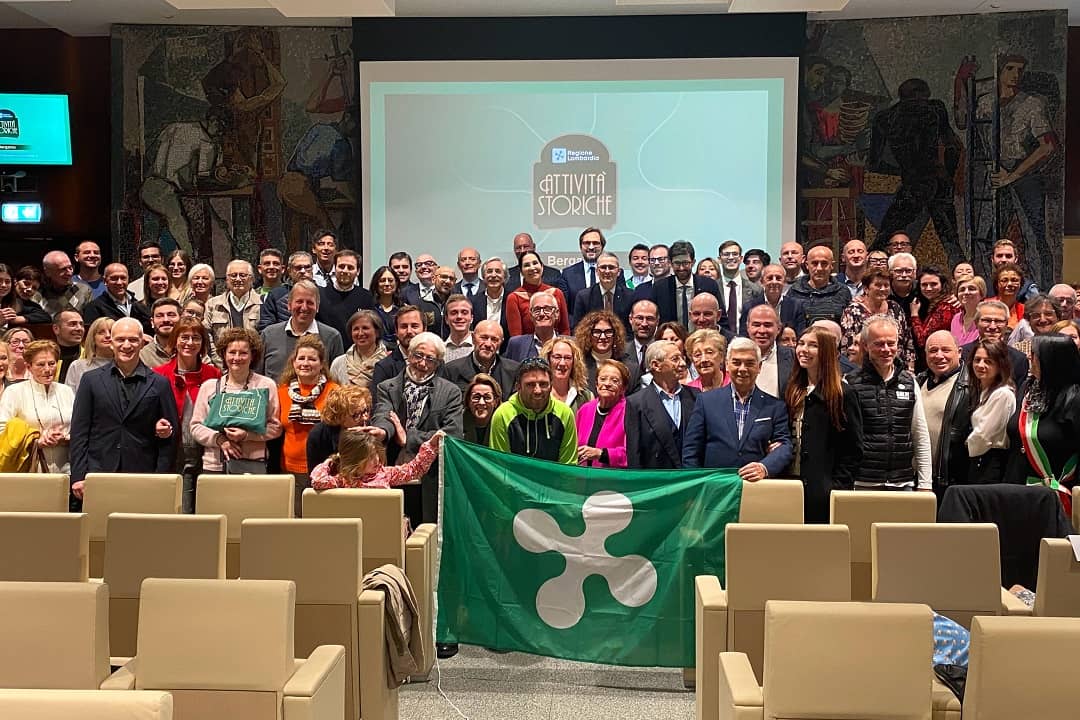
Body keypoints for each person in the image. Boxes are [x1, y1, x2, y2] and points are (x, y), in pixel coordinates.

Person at [69, 318, 179, 500]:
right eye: (120, 339)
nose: (126, 345)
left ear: (142, 342)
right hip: (98, 471)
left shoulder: (160, 383)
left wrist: (162, 477)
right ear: (111, 343)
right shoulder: (91, 380)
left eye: (133, 340)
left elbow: (171, 436)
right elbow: (79, 432)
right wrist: (78, 476)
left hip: (144, 474)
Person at [369, 332, 463, 525]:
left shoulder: (450, 392)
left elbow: (452, 434)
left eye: (430, 359)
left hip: (430, 477)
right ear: (408, 355)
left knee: (426, 534)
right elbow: (384, 415)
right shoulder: (387, 387)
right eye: (418, 356)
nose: (422, 364)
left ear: (438, 363)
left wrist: (409, 438)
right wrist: (383, 431)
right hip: (393, 469)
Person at [682, 337, 793, 479]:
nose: (742, 369)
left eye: (749, 363)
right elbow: (691, 450)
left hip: (757, 488)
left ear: (759, 367)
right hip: (715, 486)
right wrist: (695, 485)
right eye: (736, 362)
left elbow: (784, 446)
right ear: (727, 365)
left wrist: (764, 467)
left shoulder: (775, 406)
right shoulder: (706, 401)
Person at [784, 327, 863, 522]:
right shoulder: (793, 389)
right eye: (801, 343)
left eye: (813, 345)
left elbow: (853, 449)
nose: (803, 349)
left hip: (824, 490)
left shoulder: (842, 394)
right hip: (790, 485)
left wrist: (836, 487)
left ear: (827, 352)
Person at [845, 314, 932, 491]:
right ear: (865, 346)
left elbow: (920, 434)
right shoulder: (850, 384)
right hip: (861, 483)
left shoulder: (910, 382)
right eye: (878, 344)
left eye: (891, 343)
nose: (886, 349)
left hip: (903, 482)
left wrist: (925, 483)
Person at [190, 327, 283, 477]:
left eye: (243, 353)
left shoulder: (266, 385)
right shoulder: (210, 387)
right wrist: (220, 440)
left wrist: (247, 435)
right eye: (232, 352)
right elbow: (195, 427)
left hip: (253, 466)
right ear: (224, 354)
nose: (237, 358)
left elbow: (275, 428)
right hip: (214, 466)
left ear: (253, 356)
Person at [1005, 334, 1080, 516]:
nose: (1029, 358)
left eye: (1035, 354)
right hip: (1018, 489)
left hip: (1058, 495)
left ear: (1052, 360)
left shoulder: (1075, 398)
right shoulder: (1028, 388)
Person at [153, 317, 221, 512]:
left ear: (203, 344)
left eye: (196, 338)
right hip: (170, 452)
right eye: (184, 337)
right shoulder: (158, 374)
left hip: (207, 453)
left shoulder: (214, 375)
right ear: (175, 340)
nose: (190, 343)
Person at [277, 335, 338, 515]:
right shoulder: (281, 392)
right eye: (301, 358)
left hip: (326, 471)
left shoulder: (334, 392)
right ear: (293, 363)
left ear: (321, 364)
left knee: (321, 521)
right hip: (289, 471)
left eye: (312, 359)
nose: (305, 363)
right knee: (295, 522)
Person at [0, 340, 75, 473]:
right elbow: (2, 430)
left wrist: (65, 437)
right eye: (40, 365)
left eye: (52, 364)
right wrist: (36, 441)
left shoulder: (66, 391)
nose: (47, 369)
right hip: (29, 469)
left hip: (65, 468)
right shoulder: (15, 392)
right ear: (28, 367)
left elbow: (79, 427)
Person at [625, 340, 699, 469]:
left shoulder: (696, 396)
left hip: (691, 480)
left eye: (682, 358)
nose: (682, 363)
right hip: (657, 482)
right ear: (656, 365)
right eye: (675, 359)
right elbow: (634, 454)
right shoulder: (636, 403)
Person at [489, 356, 577, 464]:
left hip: (553, 481)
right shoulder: (502, 414)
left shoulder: (565, 413)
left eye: (543, 384)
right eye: (530, 385)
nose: (538, 390)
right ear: (518, 387)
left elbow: (568, 466)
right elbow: (500, 466)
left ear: (551, 386)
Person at [918, 330, 972, 497]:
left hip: (950, 480)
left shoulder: (971, 385)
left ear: (959, 352)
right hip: (918, 477)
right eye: (933, 351)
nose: (939, 356)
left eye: (946, 350)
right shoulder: (918, 381)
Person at [259, 280, 344, 382]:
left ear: (317, 307)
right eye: (299, 302)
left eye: (310, 303)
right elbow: (257, 377)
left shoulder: (332, 337)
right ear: (289, 305)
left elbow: (336, 379)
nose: (304, 307)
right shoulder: (268, 335)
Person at [311, 428, 446, 490]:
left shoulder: (386, 474)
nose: (376, 460)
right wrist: (328, 463)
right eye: (370, 457)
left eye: (376, 454)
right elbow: (318, 481)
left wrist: (431, 445)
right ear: (355, 460)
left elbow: (415, 470)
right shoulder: (343, 480)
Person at [633, 240, 722, 328]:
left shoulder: (709, 285)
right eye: (677, 263)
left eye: (685, 263)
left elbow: (721, 319)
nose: (681, 268)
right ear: (670, 263)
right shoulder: (660, 287)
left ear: (693, 262)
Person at [841, 268, 916, 370]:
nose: (883, 289)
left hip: (897, 370)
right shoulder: (853, 311)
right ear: (866, 288)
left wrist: (910, 370)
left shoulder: (895, 308)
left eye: (886, 285)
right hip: (864, 371)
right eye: (878, 285)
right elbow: (847, 347)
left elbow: (908, 342)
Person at [965, 339, 1015, 485]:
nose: (980, 365)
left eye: (988, 361)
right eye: (977, 360)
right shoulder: (982, 390)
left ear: (1000, 365)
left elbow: (983, 435)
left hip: (991, 462)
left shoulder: (1003, 394)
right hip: (979, 459)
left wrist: (964, 444)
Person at [440, 319, 519, 398]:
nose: (488, 344)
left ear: (501, 343)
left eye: (494, 340)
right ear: (473, 338)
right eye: (484, 338)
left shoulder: (514, 371)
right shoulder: (451, 370)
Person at [574, 359, 629, 468]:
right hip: (582, 478)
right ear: (596, 383)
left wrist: (601, 454)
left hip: (613, 480)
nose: (607, 384)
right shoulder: (585, 410)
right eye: (603, 379)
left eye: (614, 380)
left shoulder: (629, 412)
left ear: (623, 388)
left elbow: (633, 454)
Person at [963, 300, 1029, 389]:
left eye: (999, 321)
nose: (992, 326)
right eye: (986, 320)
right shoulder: (963, 354)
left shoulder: (1019, 359)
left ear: (1006, 324)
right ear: (976, 323)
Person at [306, 384, 375, 470]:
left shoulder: (369, 428)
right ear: (340, 416)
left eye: (366, 410)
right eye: (356, 415)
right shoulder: (319, 434)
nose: (365, 417)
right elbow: (314, 477)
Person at [558, 227, 623, 317]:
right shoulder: (567, 274)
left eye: (596, 243)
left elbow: (622, 304)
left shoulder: (614, 272)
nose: (591, 247)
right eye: (587, 243)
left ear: (602, 247)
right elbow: (564, 309)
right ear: (581, 246)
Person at [505, 251, 570, 338]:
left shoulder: (557, 293)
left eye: (535, 263)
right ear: (521, 271)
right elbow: (516, 337)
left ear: (542, 267)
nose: (532, 268)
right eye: (527, 265)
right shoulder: (514, 298)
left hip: (556, 348)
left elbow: (565, 330)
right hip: (528, 349)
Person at [574, 310, 637, 395]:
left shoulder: (631, 368)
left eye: (608, 332)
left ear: (615, 335)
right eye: (597, 332)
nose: (603, 337)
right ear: (588, 335)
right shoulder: (577, 365)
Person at [785, 244, 852, 325]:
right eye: (814, 263)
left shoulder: (843, 291)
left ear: (831, 265)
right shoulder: (794, 291)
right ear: (807, 265)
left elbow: (849, 325)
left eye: (824, 263)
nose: (819, 268)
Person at [316, 249, 374, 340]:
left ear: (358, 271)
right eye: (341, 266)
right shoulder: (320, 295)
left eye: (350, 267)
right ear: (335, 268)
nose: (345, 271)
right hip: (327, 351)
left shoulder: (366, 297)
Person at [571, 251, 633, 331]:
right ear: (597, 271)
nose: (607, 271)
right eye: (603, 267)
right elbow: (578, 329)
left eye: (611, 267)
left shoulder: (630, 296)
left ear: (618, 272)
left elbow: (631, 329)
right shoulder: (584, 296)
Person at [82, 263, 152, 333]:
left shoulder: (138, 304)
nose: (119, 282)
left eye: (123, 278)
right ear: (105, 281)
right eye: (114, 278)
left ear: (128, 279)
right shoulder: (94, 307)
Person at [740, 264, 807, 337]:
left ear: (784, 282)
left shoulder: (796, 306)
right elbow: (744, 336)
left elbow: (800, 336)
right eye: (770, 278)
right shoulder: (749, 307)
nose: (774, 282)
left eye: (778, 278)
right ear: (762, 282)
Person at [205, 259, 263, 343]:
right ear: (227, 279)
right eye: (233, 275)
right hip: (220, 355)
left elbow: (266, 336)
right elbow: (206, 336)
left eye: (242, 275)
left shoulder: (262, 303)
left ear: (251, 279)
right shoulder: (213, 304)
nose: (238, 279)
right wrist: (217, 356)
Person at [745, 304, 796, 398]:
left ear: (778, 329)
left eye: (768, 325)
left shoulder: (793, 357)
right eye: (756, 325)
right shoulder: (735, 355)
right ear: (748, 327)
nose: (762, 330)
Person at [369, 305, 426, 391]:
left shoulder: (436, 363)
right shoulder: (383, 367)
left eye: (414, 326)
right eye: (403, 326)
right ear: (396, 331)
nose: (409, 331)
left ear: (424, 329)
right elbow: (378, 402)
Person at [329, 310, 388, 388]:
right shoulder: (338, 363)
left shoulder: (388, 362)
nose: (360, 333)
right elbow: (332, 396)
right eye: (356, 329)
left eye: (365, 328)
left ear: (377, 332)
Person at [715, 240, 763, 336]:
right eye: (726, 254)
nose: (731, 258)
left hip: (746, 341)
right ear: (719, 259)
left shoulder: (756, 290)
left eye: (735, 254)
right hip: (719, 340)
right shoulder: (713, 287)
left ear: (741, 259)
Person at [259, 252, 313, 331]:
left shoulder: (323, 293)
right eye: (298, 267)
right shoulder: (275, 295)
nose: (303, 271)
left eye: (307, 267)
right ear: (289, 271)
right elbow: (266, 328)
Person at [909, 267, 959, 351]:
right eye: (924, 285)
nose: (928, 288)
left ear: (942, 285)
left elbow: (923, 340)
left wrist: (914, 314)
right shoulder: (928, 303)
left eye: (934, 284)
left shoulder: (946, 307)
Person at [505, 290, 561, 362]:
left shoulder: (570, 344)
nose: (541, 314)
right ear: (531, 315)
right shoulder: (516, 344)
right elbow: (509, 372)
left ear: (556, 313)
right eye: (537, 310)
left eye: (547, 309)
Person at [541, 337, 593, 413]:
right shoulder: (538, 392)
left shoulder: (586, 397)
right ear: (548, 359)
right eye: (557, 357)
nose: (562, 363)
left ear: (574, 362)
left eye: (567, 358)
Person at [65, 317, 114, 394]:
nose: (108, 335)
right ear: (93, 338)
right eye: (101, 332)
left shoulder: (125, 365)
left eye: (111, 332)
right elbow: (69, 399)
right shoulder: (77, 366)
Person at [39, 250, 92, 316]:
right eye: (63, 269)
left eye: (70, 267)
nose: (69, 273)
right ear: (48, 272)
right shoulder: (38, 293)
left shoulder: (83, 290)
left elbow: (89, 322)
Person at [0, 264, 49, 329]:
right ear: (15, 282)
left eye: (34, 288)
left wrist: (19, 319)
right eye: (26, 284)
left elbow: (45, 316)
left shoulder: (19, 303)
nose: (29, 289)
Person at [140, 298, 181, 369]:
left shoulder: (192, 348)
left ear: (181, 319)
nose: (166, 320)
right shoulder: (143, 355)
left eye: (171, 315)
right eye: (160, 316)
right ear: (152, 322)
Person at [471, 257, 508, 335]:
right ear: (483, 277)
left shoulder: (512, 299)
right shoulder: (473, 301)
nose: (493, 275)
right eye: (489, 271)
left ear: (504, 277)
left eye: (498, 271)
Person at [462, 374, 502, 446]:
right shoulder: (458, 421)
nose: (481, 402)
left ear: (496, 401)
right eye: (476, 397)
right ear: (468, 400)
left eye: (487, 397)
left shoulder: (503, 422)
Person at [369, 265, 401, 343]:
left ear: (396, 283)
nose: (387, 284)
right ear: (376, 284)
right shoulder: (369, 309)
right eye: (382, 280)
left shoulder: (403, 310)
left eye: (390, 280)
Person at [51, 309, 85, 384]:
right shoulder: (46, 356)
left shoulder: (89, 356)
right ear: (56, 329)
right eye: (73, 324)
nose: (79, 328)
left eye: (81, 324)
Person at [952, 276, 987, 346]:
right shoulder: (956, 318)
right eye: (962, 290)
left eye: (971, 289)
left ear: (981, 294)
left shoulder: (986, 318)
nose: (966, 292)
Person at [989, 262, 1025, 331]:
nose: (1009, 284)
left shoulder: (1025, 310)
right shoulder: (986, 306)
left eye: (1014, 280)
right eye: (1004, 280)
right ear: (997, 285)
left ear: (1020, 284)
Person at [443, 294, 475, 362]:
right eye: (454, 313)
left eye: (464, 312)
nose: (459, 316)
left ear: (471, 318)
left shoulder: (480, 347)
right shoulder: (440, 350)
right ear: (446, 319)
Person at [887, 252, 919, 318]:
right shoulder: (883, 290)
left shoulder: (922, 289)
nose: (904, 275)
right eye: (899, 271)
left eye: (908, 271)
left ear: (915, 273)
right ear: (890, 272)